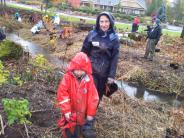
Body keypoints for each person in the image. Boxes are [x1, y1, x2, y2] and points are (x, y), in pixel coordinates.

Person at [57, 52, 99, 138]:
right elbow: (62, 93)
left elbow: (93, 98)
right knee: (68, 131)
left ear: (86, 69)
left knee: (79, 131)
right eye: (77, 69)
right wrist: (66, 110)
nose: (79, 72)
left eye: (82, 70)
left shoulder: (89, 80)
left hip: (82, 115)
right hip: (70, 114)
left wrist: (90, 114)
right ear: (73, 68)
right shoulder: (68, 77)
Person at [81, 12, 120, 100]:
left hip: (104, 73)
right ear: (98, 22)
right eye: (101, 21)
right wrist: (79, 67)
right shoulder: (92, 34)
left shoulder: (114, 38)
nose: (104, 24)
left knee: (97, 97)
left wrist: (111, 76)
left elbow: (115, 58)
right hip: (90, 70)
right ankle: (82, 112)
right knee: (86, 94)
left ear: (110, 22)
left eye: (106, 21)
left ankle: (91, 113)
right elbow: (83, 52)